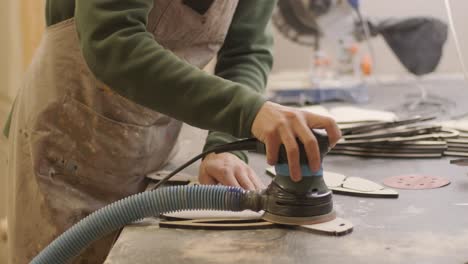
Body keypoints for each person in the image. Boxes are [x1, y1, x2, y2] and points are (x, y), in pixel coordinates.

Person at [4, 0, 341, 263]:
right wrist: (248, 112)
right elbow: (112, 41)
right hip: (64, 146)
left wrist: (225, 146)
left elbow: (246, 51)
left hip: (150, 145)